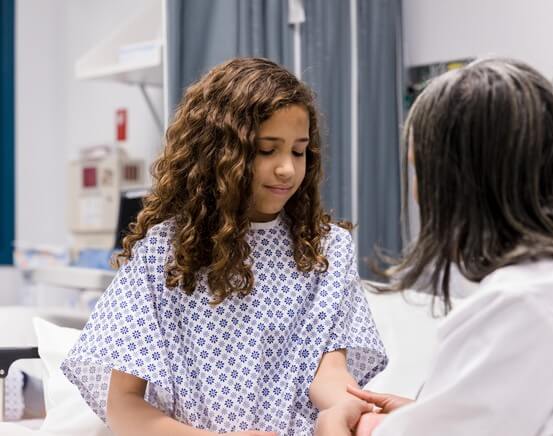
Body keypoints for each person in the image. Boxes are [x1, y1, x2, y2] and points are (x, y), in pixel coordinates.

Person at [319, 58, 553, 435]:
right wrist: (429, 412)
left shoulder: (519, 302)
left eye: (418, 170)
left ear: (453, 185)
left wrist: (333, 428)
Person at [61, 57, 387, 436]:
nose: (287, 168)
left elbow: (328, 374)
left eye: (298, 151)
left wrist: (352, 407)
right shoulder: (163, 255)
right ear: (219, 154)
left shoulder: (327, 250)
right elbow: (124, 409)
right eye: (267, 150)